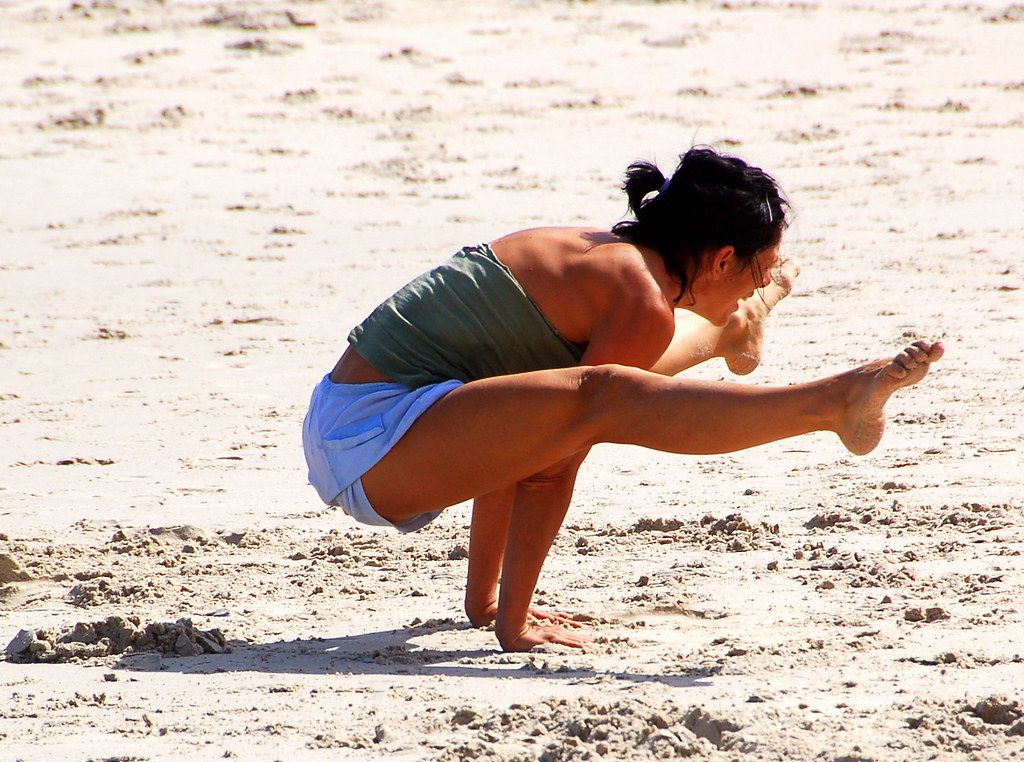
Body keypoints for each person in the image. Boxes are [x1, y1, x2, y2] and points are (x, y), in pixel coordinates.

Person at [302, 146, 943, 652]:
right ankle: (831, 402)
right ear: (721, 260)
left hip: (359, 427)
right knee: (605, 395)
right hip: (374, 442)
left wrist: (485, 604)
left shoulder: (606, 258)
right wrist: (515, 623)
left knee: (590, 392)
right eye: (761, 271)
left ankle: (738, 331)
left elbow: (506, 437)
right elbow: (547, 468)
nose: (766, 275)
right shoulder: (638, 298)